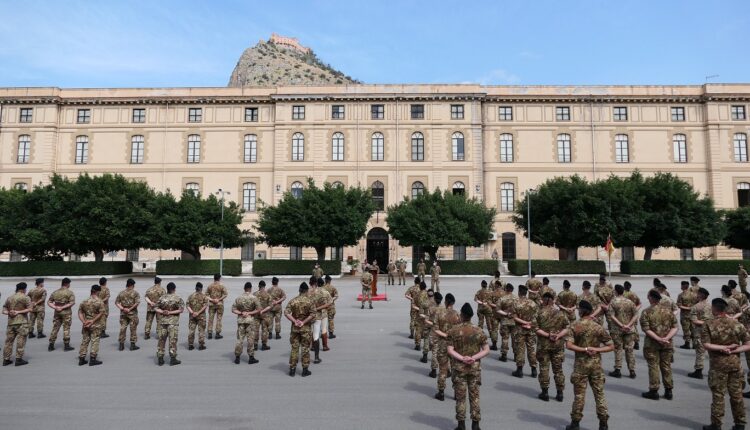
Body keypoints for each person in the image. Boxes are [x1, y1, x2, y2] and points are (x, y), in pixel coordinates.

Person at [701, 298, 750, 430]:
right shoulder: (737, 324)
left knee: (718, 395)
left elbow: (706, 345)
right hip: (734, 364)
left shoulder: (708, 324)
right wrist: (733, 349)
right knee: (737, 395)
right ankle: (740, 423)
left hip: (718, 365)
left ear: (714, 308)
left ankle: (716, 424)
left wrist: (722, 349)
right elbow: (748, 345)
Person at [565, 300, 614, 430]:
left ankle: (575, 423)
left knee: (579, 395)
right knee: (599, 394)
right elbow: (611, 345)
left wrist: (584, 349)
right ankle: (603, 423)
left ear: (582, 311)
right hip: (596, 365)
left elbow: (569, 345)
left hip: (581, 365)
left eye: (579, 309)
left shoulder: (575, 326)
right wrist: (596, 349)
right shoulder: (598, 327)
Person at [447, 303, 490, 430]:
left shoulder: (453, 331)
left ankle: (461, 425)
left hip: (459, 368)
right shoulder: (479, 330)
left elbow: (450, 350)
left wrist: (462, 358)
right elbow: (486, 350)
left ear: (462, 315)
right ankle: (475, 424)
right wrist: (473, 358)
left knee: (460, 398)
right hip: (474, 368)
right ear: (471, 316)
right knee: (474, 396)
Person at [640, 289, 678, 400]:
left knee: (653, 366)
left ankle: (654, 390)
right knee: (666, 366)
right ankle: (668, 390)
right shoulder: (668, 311)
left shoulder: (646, 312)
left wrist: (658, 339)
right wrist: (666, 338)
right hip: (667, 343)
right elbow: (675, 327)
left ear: (651, 298)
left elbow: (646, 329)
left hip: (652, 344)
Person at [535, 291, 570, 402]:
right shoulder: (560, 313)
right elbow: (567, 328)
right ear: (553, 300)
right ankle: (560, 393)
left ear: (544, 300)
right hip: (557, 345)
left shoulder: (539, 313)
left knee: (544, 368)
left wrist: (548, 335)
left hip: (544, 346)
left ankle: (545, 392)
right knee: (558, 370)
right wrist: (558, 336)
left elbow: (535, 329)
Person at [434, 293, 460, 401]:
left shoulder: (439, 314)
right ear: (453, 303)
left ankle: (441, 392)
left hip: (443, 344)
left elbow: (435, 329)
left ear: (445, 302)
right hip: (455, 345)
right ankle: (456, 393)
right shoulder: (458, 315)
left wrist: (446, 335)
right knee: (455, 369)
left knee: (443, 369)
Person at [607, 284, 638, 379]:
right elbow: (636, 314)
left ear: (615, 291)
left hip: (617, 330)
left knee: (618, 349)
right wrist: (628, 325)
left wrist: (621, 325)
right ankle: (632, 370)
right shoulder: (630, 302)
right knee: (630, 350)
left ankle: (618, 369)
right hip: (630, 329)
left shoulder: (613, 302)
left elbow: (612, 316)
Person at [285, 282, 315, 377]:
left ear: (299, 290)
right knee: (305, 349)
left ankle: (292, 369)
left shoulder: (293, 301)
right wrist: (304, 322)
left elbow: (286, 312)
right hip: (305, 329)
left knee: (294, 348)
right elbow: (313, 314)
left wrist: (294, 321)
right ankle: (304, 370)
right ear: (306, 291)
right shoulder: (309, 301)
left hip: (295, 329)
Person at [511, 284, 538, 378]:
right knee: (531, 349)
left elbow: (514, 317)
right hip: (531, 329)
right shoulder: (533, 303)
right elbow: (536, 317)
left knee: (520, 349)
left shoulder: (516, 303)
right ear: (526, 293)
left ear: (519, 292)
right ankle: (534, 370)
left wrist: (524, 322)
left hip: (520, 329)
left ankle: (520, 370)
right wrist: (529, 323)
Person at [155, 282, 185, 366]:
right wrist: (170, 312)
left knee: (161, 340)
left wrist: (163, 312)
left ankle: (160, 358)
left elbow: (156, 307)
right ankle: (173, 359)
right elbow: (181, 309)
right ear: (174, 289)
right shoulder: (177, 298)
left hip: (163, 322)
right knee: (173, 340)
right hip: (173, 323)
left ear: (167, 289)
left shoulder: (162, 297)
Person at [232, 282, 261, 365]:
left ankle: (237, 357)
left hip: (241, 320)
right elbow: (258, 309)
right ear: (250, 288)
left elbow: (233, 309)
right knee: (250, 339)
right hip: (250, 321)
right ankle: (251, 357)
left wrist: (241, 313)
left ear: (244, 288)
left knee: (240, 339)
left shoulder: (239, 298)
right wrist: (250, 313)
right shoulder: (254, 298)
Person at [3, 282, 31, 366]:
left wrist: (9, 312)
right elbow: (30, 309)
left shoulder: (9, 298)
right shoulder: (25, 297)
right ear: (23, 289)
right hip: (21, 323)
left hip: (11, 323)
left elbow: (3, 310)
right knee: (21, 341)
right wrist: (18, 311)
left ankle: (6, 359)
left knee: (8, 341)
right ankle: (18, 359)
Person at [77, 284, 106, 366]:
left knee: (85, 341)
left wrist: (84, 321)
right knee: (95, 341)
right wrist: (92, 321)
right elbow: (101, 313)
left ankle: (81, 359)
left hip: (86, 324)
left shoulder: (84, 301)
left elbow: (80, 312)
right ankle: (93, 359)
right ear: (98, 292)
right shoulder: (100, 302)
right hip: (95, 324)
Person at [689, 288, 712, 379]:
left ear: (701, 295)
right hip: (712, 332)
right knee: (712, 353)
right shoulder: (712, 305)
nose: (696, 295)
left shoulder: (696, 306)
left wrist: (706, 323)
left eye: (698, 294)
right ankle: (713, 371)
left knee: (700, 352)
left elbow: (694, 321)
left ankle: (698, 371)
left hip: (700, 332)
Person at [47, 277, 76, 352]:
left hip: (57, 313)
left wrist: (56, 307)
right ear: (67, 284)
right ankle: (66, 345)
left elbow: (49, 302)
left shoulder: (55, 292)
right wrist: (62, 307)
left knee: (55, 328)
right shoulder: (69, 292)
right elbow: (72, 302)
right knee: (66, 328)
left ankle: (51, 344)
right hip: (66, 313)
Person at [310, 277, 332, 362]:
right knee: (324, 329)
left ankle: (313, 347)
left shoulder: (310, 292)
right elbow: (330, 302)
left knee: (314, 332)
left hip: (313, 315)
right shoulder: (325, 292)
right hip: (323, 314)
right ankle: (325, 346)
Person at [114, 278, 140, 351]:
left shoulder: (121, 293)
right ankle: (132, 345)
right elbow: (137, 303)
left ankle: (121, 345)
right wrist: (130, 309)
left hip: (123, 313)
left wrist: (123, 308)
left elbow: (116, 302)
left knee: (123, 328)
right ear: (132, 285)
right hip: (132, 314)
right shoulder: (135, 293)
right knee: (133, 329)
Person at [496, 283, 517, 362]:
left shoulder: (502, 298)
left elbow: (497, 310)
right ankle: (516, 355)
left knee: (505, 338)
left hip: (505, 321)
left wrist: (506, 314)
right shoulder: (517, 299)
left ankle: (504, 355)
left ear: (506, 289)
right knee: (515, 339)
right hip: (515, 321)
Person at [425, 292, 444, 377]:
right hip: (443, 332)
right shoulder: (444, 308)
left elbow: (426, 320)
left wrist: (433, 324)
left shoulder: (431, 309)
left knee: (434, 352)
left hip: (434, 332)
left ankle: (434, 370)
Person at [186, 282, 208, 350]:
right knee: (201, 330)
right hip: (201, 316)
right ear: (201, 288)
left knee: (191, 330)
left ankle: (190, 345)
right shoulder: (204, 296)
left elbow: (187, 305)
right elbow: (205, 306)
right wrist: (198, 313)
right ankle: (201, 345)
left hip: (192, 316)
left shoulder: (190, 296)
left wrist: (192, 312)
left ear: (195, 288)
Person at [206, 274, 228, 339]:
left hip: (211, 304)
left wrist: (212, 299)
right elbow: (225, 294)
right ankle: (217, 333)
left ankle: (210, 333)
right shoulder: (222, 286)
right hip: (219, 304)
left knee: (210, 318)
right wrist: (218, 299)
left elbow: (206, 295)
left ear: (214, 278)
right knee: (219, 318)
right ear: (219, 278)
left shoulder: (210, 286)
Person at [254, 280, 274, 351]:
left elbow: (252, 305)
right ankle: (264, 345)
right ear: (264, 286)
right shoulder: (268, 295)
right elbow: (270, 306)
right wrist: (263, 311)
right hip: (265, 315)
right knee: (264, 330)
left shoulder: (254, 294)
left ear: (258, 286)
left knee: (256, 330)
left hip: (256, 315)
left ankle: (255, 345)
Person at [676, 280, 697, 349]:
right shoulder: (694, 294)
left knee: (686, 329)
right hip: (693, 314)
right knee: (693, 329)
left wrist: (688, 308)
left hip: (685, 315)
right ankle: (695, 344)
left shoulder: (681, 295)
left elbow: (679, 305)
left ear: (682, 286)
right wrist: (692, 308)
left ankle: (687, 343)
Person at [623, 281, 642, 350]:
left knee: (626, 327)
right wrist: (635, 310)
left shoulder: (623, 294)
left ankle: (628, 343)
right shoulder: (634, 294)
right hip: (633, 314)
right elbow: (639, 303)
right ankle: (636, 342)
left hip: (626, 314)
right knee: (634, 328)